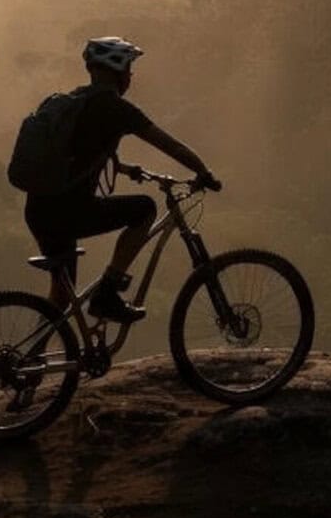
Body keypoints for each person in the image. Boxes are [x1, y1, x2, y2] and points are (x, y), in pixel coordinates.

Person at [24, 36, 219, 323]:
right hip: (69, 213)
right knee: (144, 209)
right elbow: (170, 145)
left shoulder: (74, 100)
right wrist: (203, 172)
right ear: (117, 71)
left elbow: (77, 156)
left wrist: (126, 169)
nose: (130, 76)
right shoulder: (116, 109)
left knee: (62, 298)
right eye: (128, 69)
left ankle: (31, 361)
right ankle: (108, 291)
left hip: (40, 211)